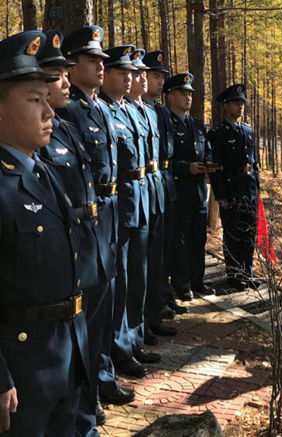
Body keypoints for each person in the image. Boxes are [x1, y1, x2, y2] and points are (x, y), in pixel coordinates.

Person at [0, 30, 88, 436]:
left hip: (65, 358)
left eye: (46, 99)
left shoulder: (43, 171)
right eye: (35, 100)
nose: (49, 111)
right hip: (21, 373)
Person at [37, 29, 113, 434]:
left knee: (91, 333)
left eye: (66, 73)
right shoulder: (37, 137)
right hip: (68, 252)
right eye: (57, 75)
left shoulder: (63, 127)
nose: (65, 82)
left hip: (90, 243)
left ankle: (89, 401)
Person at [59, 24, 134, 421]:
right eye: (92, 60)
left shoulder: (100, 106)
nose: (101, 66)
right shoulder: (67, 108)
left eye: (102, 60)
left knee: (105, 306)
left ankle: (103, 378)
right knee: (86, 312)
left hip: (108, 213)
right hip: (84, 220)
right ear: (71, 65)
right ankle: (87, 394)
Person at [99, 44, 160, 378]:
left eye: (132, 73)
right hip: (120, 202)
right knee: (121, 278)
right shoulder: (104, 109)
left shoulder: (130, 109)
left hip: (140, 198)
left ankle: (134, 339)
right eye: (122, 72)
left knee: (138, 274)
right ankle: (119, 347)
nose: (130, 78)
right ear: (106, 74)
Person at [125, 49, 177, 344]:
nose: (143, 78)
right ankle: (134, 331)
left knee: (154, 263)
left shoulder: (150, 111)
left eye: (146, 74)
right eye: (139, 73)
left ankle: (149, 320)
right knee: (136, 269)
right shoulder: (123, 109)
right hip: (132, 197)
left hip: (153, 191)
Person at [142, 50, 187, 316]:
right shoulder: (138, 109)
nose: (160, 82)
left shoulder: (161, 111)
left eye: (161, 77)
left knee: (166, 244)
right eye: (155, 76)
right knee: (152, 248)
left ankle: (164, 293)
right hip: (149, 183)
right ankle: (154, 301)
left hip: (166, 183)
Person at [165, 73, 218, 299]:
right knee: (180, 238)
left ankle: (198, 280)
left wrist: (209, 163)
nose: (188, 98)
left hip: (198, 190)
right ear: (170, 96)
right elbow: (163, 160)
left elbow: (207, 150)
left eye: (190, 94)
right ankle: (182, 283)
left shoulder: (196, 124)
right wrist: (186, 167)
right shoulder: (166, 122)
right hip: (178, 190)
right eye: (182, 93)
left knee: (199, 238)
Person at [208, 84, 260, 291]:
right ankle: (235, 275)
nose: (240, 106)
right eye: (236, 103)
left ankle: (248, 272)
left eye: (242, 103)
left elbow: (254, 163)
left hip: (249, 189)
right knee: (233, 234)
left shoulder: (247, 130)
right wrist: (221, 195)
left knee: (249, 234)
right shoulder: (218, 133)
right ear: (225, 105)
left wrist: (257, 188)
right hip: (231, 190)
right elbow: (215, 168)